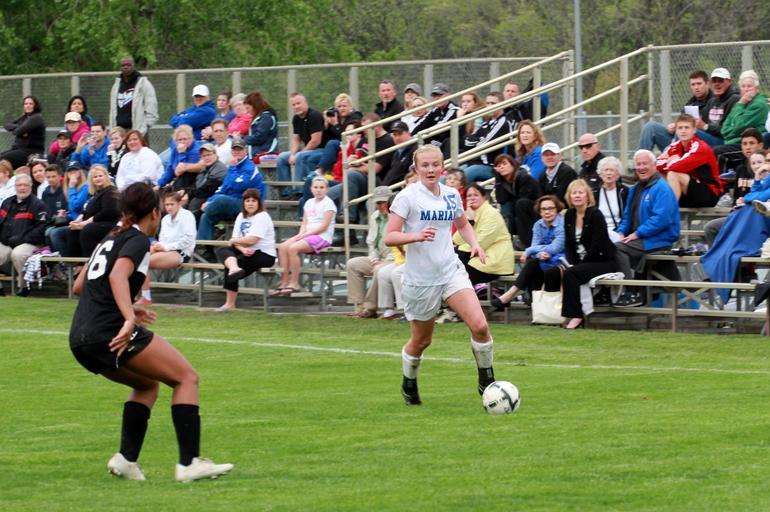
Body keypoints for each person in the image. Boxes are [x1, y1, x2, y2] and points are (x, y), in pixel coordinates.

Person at [68, 181, 233, 483]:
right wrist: (128, 317)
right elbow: (117, 276)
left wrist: (127, 306)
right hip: (109, 331)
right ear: (154, 213)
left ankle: (126, 459)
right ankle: (190, 463)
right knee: (186, 378)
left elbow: (81, 285)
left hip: (80, 337)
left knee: (147, 385)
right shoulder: (137, 239)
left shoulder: (110, 236)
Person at [384, 145, 496, 406]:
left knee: (480, 326)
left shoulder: (451, 195)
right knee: (422, 341)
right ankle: (409, 382)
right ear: (416, 168)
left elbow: (462, 224)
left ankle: (487, 381)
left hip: (450, 270)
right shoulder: (407, 197)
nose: (431, 169)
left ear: (443, 167)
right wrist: (416, 236)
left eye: (435, 164)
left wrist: (475, 244)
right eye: (425, 165)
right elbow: (390, 236)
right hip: (420, 279)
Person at [613, 150, 680, 307]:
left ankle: (631, 292)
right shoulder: (635, 188)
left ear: (654, 165)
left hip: (658, 239)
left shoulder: (662, 188)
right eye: (638, 164)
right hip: (641, 238)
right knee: (609, 246)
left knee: (618, 249)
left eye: (645, 164)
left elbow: (661, 219)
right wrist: (621, 232)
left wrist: (638, 233)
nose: (641, 167)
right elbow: (627, 216)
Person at [559, 179, 619, 329]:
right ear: (569, 196)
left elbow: (597, 245)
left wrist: (579, 265)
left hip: (602, 261)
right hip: (582, 262)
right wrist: (572, 262)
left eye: (580, 192)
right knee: (556, 272)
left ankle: (576, 315)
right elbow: (568, 244)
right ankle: (557, 314)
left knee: (571, 273)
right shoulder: (569, 215)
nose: (577, 196)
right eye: (574, 193)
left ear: (587, 196)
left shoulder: (595, 214)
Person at [490, 195, 566, 310]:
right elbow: (535, 245)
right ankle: (524, 301)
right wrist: (539, 254)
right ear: (539, 211)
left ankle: (512, 298)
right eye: (543, 209)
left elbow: (556, 248)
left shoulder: (562, 223)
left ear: (557, 209)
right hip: (545, 260)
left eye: (551, 208)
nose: (547, 212)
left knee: (538, 267)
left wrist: (530, 251)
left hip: (561, 262)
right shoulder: (538, 225)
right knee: (532, 264)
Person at [215, 188, 276, 311]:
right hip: (245, 249)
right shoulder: (241, 216)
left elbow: (252, 240)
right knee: (222, 251)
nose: (250, 203)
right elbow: (235, 239)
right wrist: (242, 249)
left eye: (254, 201)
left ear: (259, 203)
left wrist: (235, 242)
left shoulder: (262, 216)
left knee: (230, 264)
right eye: (247, 201)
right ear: (243, 203)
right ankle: (234, 268)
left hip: (264, 254)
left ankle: (230, 304)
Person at [273, 176, 335, 296]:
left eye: (321, 187)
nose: (318, 190)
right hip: (307, 235)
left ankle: (294, 283)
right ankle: (284, 282)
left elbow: (324, 227)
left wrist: (306, 235)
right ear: (311, 189)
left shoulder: (329, 204)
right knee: (282, 247)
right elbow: (305, 223)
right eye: (315, 187)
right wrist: (301, 234)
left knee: (293, 248)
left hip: (322, 237)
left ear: (327, 189)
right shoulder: (309, 202)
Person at [136, 188, 196, 305]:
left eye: (172, 204)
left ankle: (146, 297)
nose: (169, 207)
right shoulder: (165, 219)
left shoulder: (187, 216)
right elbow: (163, 238)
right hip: (165, 250)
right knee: (136, 258)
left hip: (181, 252)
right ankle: (137, 296)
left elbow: (188, 240)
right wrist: (159, 245)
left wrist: (166, 247)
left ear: (179, 203)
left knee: (143, 262)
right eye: (166, 205)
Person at [197, 140, 266, 241]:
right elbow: (223, 188)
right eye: (234, 149)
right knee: (206, 216)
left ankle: (197, 214)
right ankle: (206, 246)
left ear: (246, 151)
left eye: (240, 149)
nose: (237, 152)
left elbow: (239, 186)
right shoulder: (233, 167)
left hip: (248, 204)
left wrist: (232, 169)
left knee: (221, 200)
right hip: (232, 204)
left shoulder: (250, 167)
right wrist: (210, 201)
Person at [345, 186, 394, 318]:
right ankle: (359, 305)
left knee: (379, 270)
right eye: (378, 202)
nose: (381, 205)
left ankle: (370, 307)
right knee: (352, 264)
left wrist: (381, 262)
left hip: (394, 259)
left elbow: (398, 246)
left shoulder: (397, 217)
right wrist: (374, 259)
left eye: (384, 202)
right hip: (379, 257)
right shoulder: (374, 216)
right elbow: (371, 243)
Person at [655, 114, 722, 207]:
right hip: (688, 191)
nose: (683, 131)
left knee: (673, 174)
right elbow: (656, 164)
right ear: (676, 130)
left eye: (687, 127)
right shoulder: (674, 146)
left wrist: (671, 160)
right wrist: (670, 161)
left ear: (694, 130)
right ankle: (661, 205)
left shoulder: (701, 148)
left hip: (709, 194)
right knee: (659, 173)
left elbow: (675, 167)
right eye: (680, 128)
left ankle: (668, 210)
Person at [453, 183, 514, 285]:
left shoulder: (491, 213)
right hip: (476, 257)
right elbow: (457, 240)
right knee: (450, 268)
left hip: (494, 261)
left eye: (475, 195)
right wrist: (469, 220)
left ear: (484, 197)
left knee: (455, 274)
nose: (472, 198)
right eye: (469, 196)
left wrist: (458, 249)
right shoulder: (469, 214)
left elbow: (482, 242)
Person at [638, 70, 713, 152]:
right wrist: (675, 126)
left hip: (704, 141)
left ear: (707, 83)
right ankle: (642, 158)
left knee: (684, 132)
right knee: (651, 127)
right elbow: (682, 122)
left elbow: (717, 129)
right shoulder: (690, 103)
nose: (696, 87)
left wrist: (703, 126)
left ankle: (670, 154)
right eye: (693, 84)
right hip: (681, 141)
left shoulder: (715, 102)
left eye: (699, 84)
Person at [0, 174, 47, 295]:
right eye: (19, 185)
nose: (22, 188)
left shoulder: (38, 204)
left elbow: (41, 229)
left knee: (18, 254)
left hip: (29, 242)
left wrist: (22, 239)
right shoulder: (7, 202)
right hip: (7, 242)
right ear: (15, 187)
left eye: (25, 185)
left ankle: (24, 287)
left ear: (31, 186)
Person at [713, 70, 770, 170]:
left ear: (756, 88)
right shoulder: (741, 103)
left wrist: (740, 105)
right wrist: (740, 104)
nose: (746, 89)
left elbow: (738, 126)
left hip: (749, 144)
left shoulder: (759, 104)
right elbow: (724, 129)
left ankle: (719, 179)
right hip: (734, 140)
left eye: (749, 86)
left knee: (718, 152)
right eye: (743, 86)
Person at [275, 93, 326, 198]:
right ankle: (286, 193)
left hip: (321, 150)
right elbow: (296, 139)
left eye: (298, 103)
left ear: (305, 103)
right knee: (282, 157)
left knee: (300, 156)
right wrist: (292, 154)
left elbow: (316, 141)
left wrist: (299, 153)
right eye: (293, 105)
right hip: (309, 150)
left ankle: (300, 192)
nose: (296, 106)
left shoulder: (314, 116)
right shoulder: (296, 119)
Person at [66, 165, 120, 258]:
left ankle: (89, 260)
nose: (98, 178)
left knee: (87, 230)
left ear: (106, 177)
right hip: (95, 223)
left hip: (109, 223)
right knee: (72, 230)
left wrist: (85, 223)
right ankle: (74, 263)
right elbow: (85, 209)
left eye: (100, 176)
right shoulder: (94, 193)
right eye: (95, 177)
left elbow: (107, 212)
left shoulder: (110, 191)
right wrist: (78, 220)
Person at [461, 92, 511, 183]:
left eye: (493, 103)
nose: (490, 106)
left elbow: (484, 144)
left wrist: (477, 141)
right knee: (450, 175)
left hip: (492, 166)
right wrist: (478, 140)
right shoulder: (486, 123)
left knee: (461, 177)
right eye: (488, 103)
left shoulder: (503, 122)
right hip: (476, 162)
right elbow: (467, 142)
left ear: (502, 104)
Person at [109, 56, 159, 138]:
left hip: (138, 130)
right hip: (120, 131)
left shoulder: (143, 84)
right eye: (123, 65)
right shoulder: (117, 85)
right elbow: (113, 109)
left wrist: (146, 126)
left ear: (133, 66)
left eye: (128, 65)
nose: (126, 67)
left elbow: (151, 105)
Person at [493, 153, 540, 238]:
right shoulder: (503, 181)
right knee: (505, 207)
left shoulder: (523, 177)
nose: (502, 167)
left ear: (512, 165)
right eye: (498, 166)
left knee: (519, 204)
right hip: (518, 208)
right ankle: (507, 238)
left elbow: (525, 199)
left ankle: (523, 239)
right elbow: (501, 200)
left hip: (535, 207)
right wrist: (497, 178)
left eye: (504, 164)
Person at [48, 163, 89, 255]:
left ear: (80, 172)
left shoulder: (85, 187)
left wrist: (72, 187)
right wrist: (66, 214)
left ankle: (66, 261)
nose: (73, 174)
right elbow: (73, 210)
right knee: (48, 232)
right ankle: (56, 260)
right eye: (70, 172)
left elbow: (76, 205)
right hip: (73, 221)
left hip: (82, 223)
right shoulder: (69, 188)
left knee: (55, 233)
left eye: (75, 171)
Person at [695, 67, 739, 147]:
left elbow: (727, 130)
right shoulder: (712, 101)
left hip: (724, 140)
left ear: (729, 82)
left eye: (720, 80)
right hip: (710, 136)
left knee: (692, 132)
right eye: (714, 81)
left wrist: (705, 126)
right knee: (683, 130)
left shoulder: (735, 100)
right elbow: (703, 121)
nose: (716, 84)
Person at [411, 83, 460, 150]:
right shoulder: (435, 110)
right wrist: (411, 137)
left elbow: (441, 126)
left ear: (448, 95)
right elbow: (422, 124)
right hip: (434, 142)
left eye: (439, 95)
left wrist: (422, 134)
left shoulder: (454, 109)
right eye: (434, 96)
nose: (436, 98)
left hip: (448, 144)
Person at [1, 96, 45, 169]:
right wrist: (21, 128)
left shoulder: (37, 117)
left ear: (35, 105)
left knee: (2, 159)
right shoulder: (24, 118)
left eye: (30, 104)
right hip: (18, 149)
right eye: (25, 104)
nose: (28, 106)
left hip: (30, 152)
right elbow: (7, 125)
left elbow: (17, 132)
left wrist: (20, 129)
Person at [185, 143, 228, 217]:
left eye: (209, 155)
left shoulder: (220, 168)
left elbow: (207, 189)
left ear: (215, 155)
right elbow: (196, 185)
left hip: (213, 197)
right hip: (202, 195)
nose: (207, 158)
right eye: (204, 156)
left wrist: (189, 194)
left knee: (194, 203)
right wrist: (185, 191)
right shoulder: (205, 168)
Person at [157, 125, 204, 192]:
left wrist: (182, 153)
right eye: (180, 140)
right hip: (179, 182)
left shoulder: (196, 151)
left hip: (191, 184)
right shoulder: (176, 149)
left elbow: (179, 171)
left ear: (191, 139)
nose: (182, 142)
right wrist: (160, 184)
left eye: (185, 139)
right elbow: (170, 168)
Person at [595, 156, 629, 243]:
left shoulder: (624, 191)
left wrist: (621, 232)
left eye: (612, 170)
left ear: (617, 174)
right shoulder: (594, 192)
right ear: (600, 173)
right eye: (606, 170)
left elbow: (627, 216)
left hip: (618, 232)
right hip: (598, 232)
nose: (608, 173)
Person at [240, 90, 279, 161]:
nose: (247, 111)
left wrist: (242, 139)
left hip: (265, 155)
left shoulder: (266, 117)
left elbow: (259, 138)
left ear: (255, 106)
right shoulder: (260, 118)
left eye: (248, 108)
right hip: (257, 155)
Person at [381, 120, 416, 186]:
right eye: (395, 135)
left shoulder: (415, 149)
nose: (397, 138)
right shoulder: (396, 152)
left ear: (409, 133)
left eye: (400, 134)